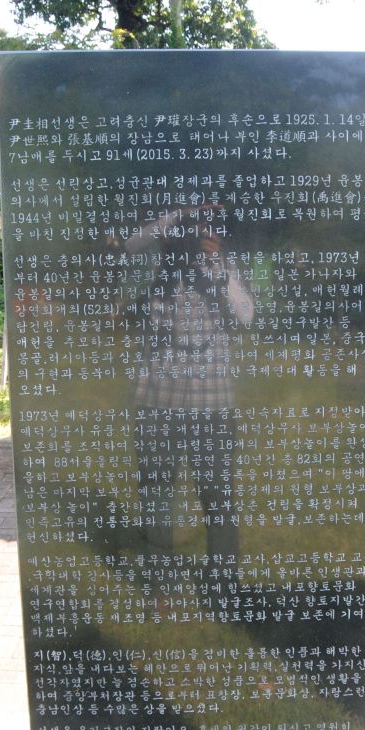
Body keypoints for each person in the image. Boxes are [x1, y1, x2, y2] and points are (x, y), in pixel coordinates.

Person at [120, 206, 254, 564]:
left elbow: (246, 315)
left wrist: (218, 266)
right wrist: (177, 217)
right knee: (156, 495)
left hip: (212, 404)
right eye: (191, 230)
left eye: (204, 229)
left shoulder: (222, 267)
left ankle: (222, 578)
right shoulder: (155, 267)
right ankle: (160, 578)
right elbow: (130, 244)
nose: (197, 237)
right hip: (158, 399)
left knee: (218, 494)